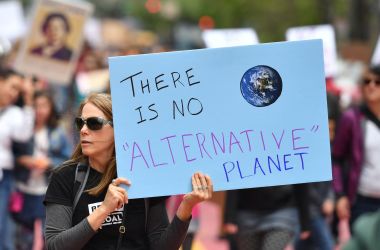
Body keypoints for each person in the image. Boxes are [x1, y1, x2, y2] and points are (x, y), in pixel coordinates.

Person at [43, 93, 213, 250]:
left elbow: (162, 247)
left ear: (119, 129)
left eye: (94, 123)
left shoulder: (143, 176)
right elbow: (55, 246)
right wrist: (103, 210)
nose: (83, 130)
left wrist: (186, 206)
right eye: (81, 122)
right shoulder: (65, 176)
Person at [12, 90, 72, 250]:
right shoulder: (22, 129)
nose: (40, 110)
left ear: (51, 108)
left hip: (46, 190)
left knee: (42, 235)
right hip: (22, 188)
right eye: (36, 106)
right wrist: (23, 160)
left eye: (44, 106)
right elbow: (11, 153)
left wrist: (49, 162)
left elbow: (69, 160)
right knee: (22, 231)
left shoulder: (58, 132)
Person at [333, 64, 380, 227]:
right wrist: (340, 195)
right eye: (367, 81)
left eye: (377, 82)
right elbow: (336, 159)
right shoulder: (351, 118)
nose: (371, 86)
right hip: (362, 203)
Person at [0, 68, 35, 250]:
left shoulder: (14, 113)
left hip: (3, 177)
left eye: (18, 91)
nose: (14, 94)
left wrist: (28, 99)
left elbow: (23, 135)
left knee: (1, 227)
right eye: (12, 87)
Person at [223, 184, 311, 250]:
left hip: (282, 212)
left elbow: (301, 186)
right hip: (247, 213)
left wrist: (305, 223)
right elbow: (234, 182)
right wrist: (229, 218)